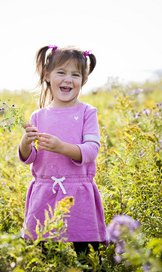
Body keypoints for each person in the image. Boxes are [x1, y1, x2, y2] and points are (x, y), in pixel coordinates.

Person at [18, 44, 106, 258]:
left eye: (75, 74)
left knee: (87, 253)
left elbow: (92, 149)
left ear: (84, 80)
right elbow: (30, 158)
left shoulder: (87, 112)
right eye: (61, 72)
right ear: (47, 75)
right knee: (44, 252)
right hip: (46, 192)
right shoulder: (38, 116)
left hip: (78, 193)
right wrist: (26, 142)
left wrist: (62, 148)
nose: (68, 79)